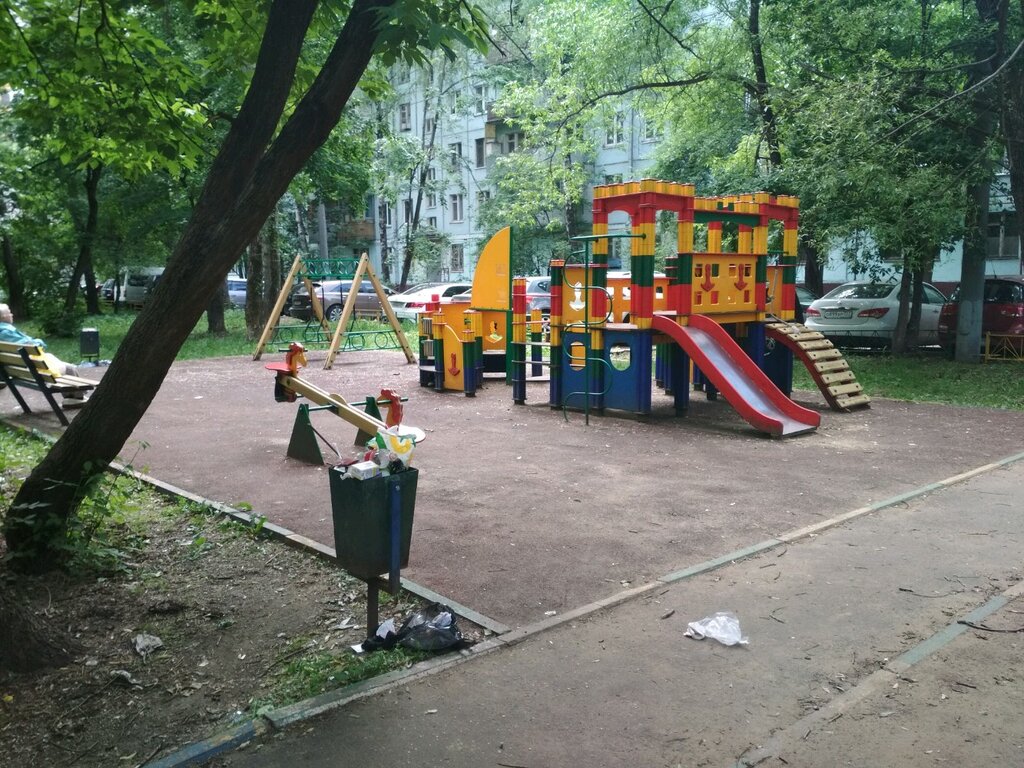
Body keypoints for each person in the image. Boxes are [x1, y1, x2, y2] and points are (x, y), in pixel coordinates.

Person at [0, 303, 88, 404]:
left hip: (14, 370)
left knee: (63, 365)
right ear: (3, 317)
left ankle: (71, 397)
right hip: (31, 371)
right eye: (9, 312)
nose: (12, 315)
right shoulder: (7, 332)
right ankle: (77, 398)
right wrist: (39, 341)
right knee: (70, 368)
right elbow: (33, 347)